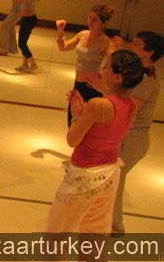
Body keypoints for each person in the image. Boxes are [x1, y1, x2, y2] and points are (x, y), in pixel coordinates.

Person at [46, 50, 144, 238]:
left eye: (106, 66)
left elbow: (72, 140)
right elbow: (109, 122)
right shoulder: (132, 105)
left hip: (85, 175)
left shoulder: (97, 105)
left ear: (117, 77)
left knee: (57, 231)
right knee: (95, 232)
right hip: (110, 173)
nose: (102, 69)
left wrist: (76, 115)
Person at [103, 32, 162, 236]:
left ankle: (114, 227)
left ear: (150, 52)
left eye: (136, 44)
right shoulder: (142, 74)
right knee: (113, 183)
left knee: (112, 183)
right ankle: (111, 226)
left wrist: (104, 90)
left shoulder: (146, 79)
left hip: (132, 140)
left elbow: (129, 109)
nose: (131, 45)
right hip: (131, 138)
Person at [56, 5, 115, 125]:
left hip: (91, 88)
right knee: (72, 121)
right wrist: (61, 31)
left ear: (104, 23)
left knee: (84, 124)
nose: (90, 22)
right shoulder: (82, 34)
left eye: (95, 20)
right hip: (77, 84)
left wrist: (102, 77)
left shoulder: (106, 42)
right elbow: (63, 47)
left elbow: (114, 64)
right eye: (89, 18)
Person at [0, 0, 41, 72]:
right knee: (23, 42)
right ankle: (25, 64)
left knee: (22, 43)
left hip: (28, 19)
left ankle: (33, 63)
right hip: (28, 18)